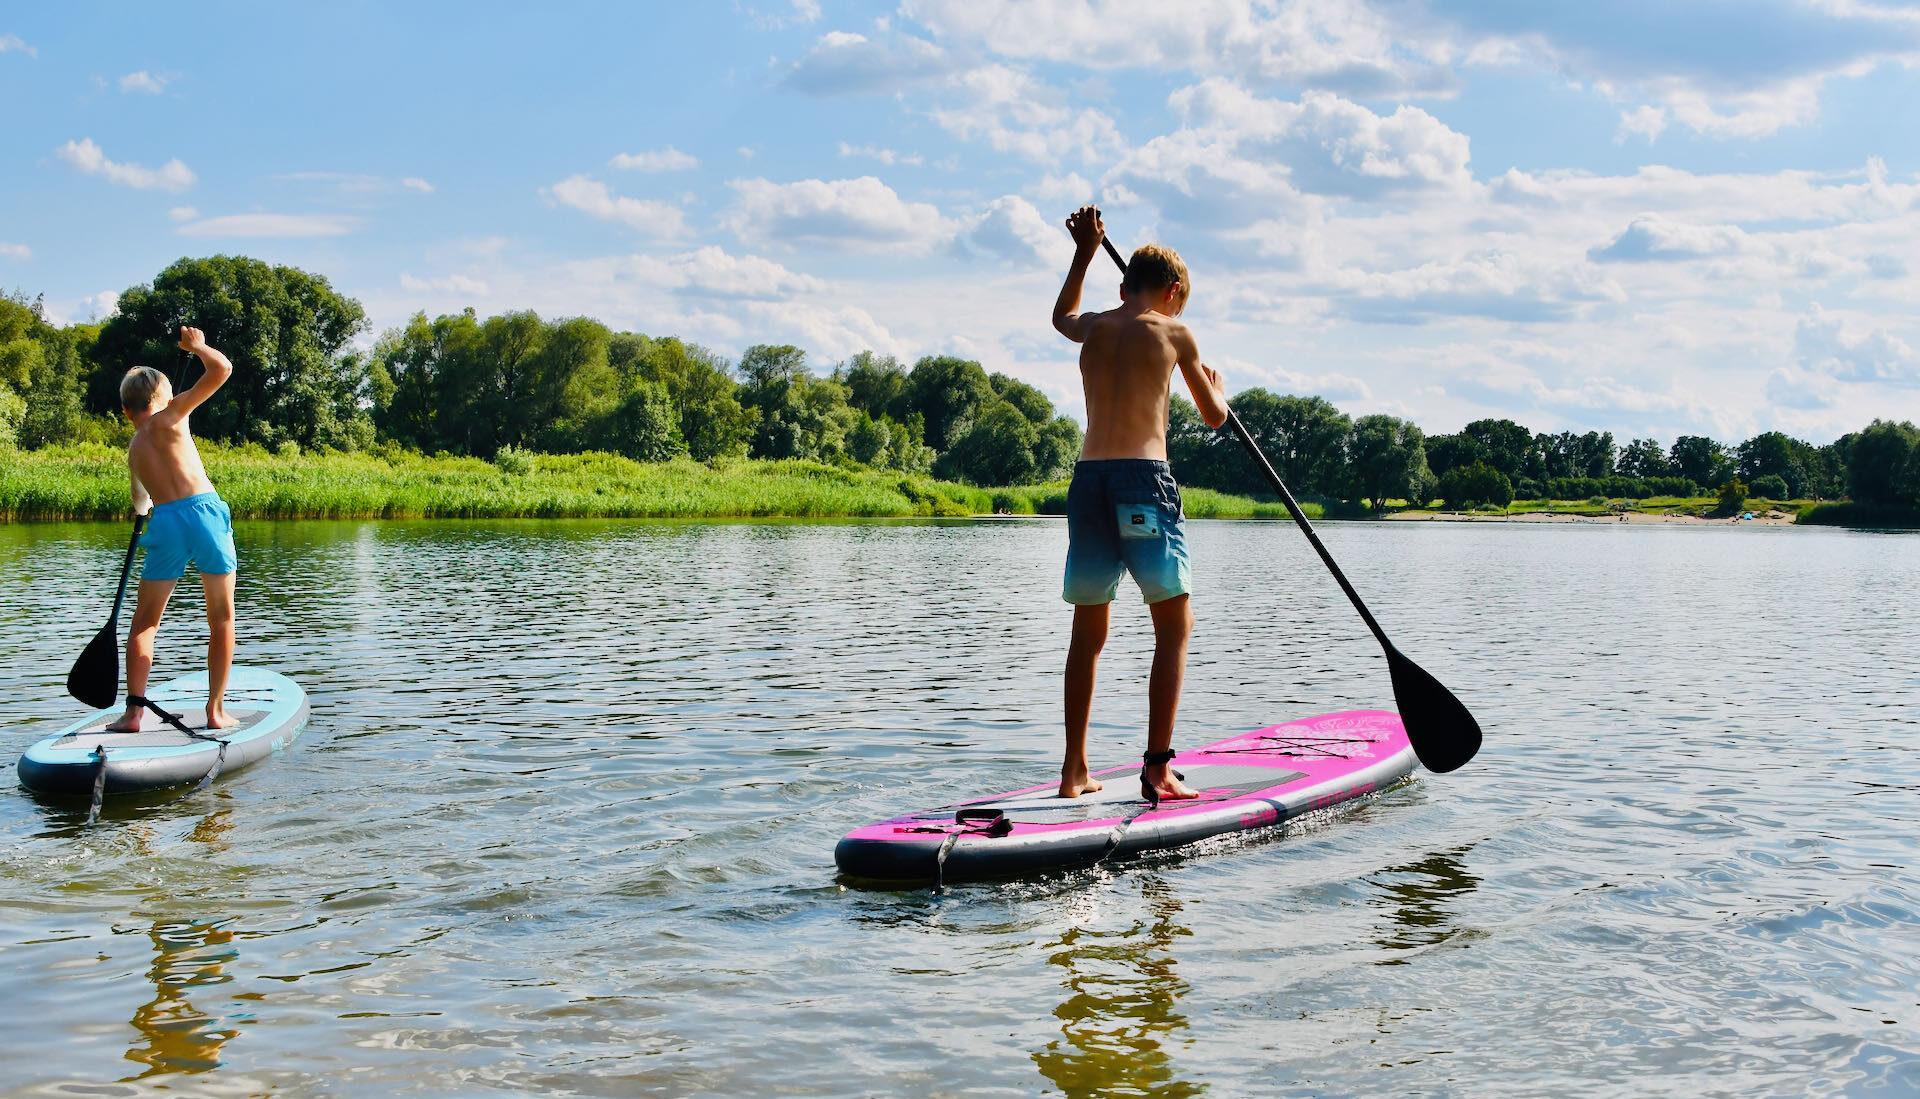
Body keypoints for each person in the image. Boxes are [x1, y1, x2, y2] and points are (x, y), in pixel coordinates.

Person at [1051, 205, 1231, 803]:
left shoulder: (1097, 326)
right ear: (1174, 293)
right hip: (1143, 482)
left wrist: (1084, 250)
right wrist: (1219, 387)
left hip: (1089, 482)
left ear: (1124, 285)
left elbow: (1062, 317)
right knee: (1174, 624)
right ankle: (1157, 768)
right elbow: (1212, 417)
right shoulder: (1175, 332)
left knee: (1088, 631)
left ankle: (1073, 770)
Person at [104, 326, 239, 732]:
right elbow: (222, 370)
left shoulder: (134, 449)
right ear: (161, 398)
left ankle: (133, 714)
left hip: (164, 522)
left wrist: (149, 502)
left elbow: (140, 502)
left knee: (145, 622)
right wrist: (197, 347)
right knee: (221, 618)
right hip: (204, 514)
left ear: (127, 411)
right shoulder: (173, 416)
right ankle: (215, 711)